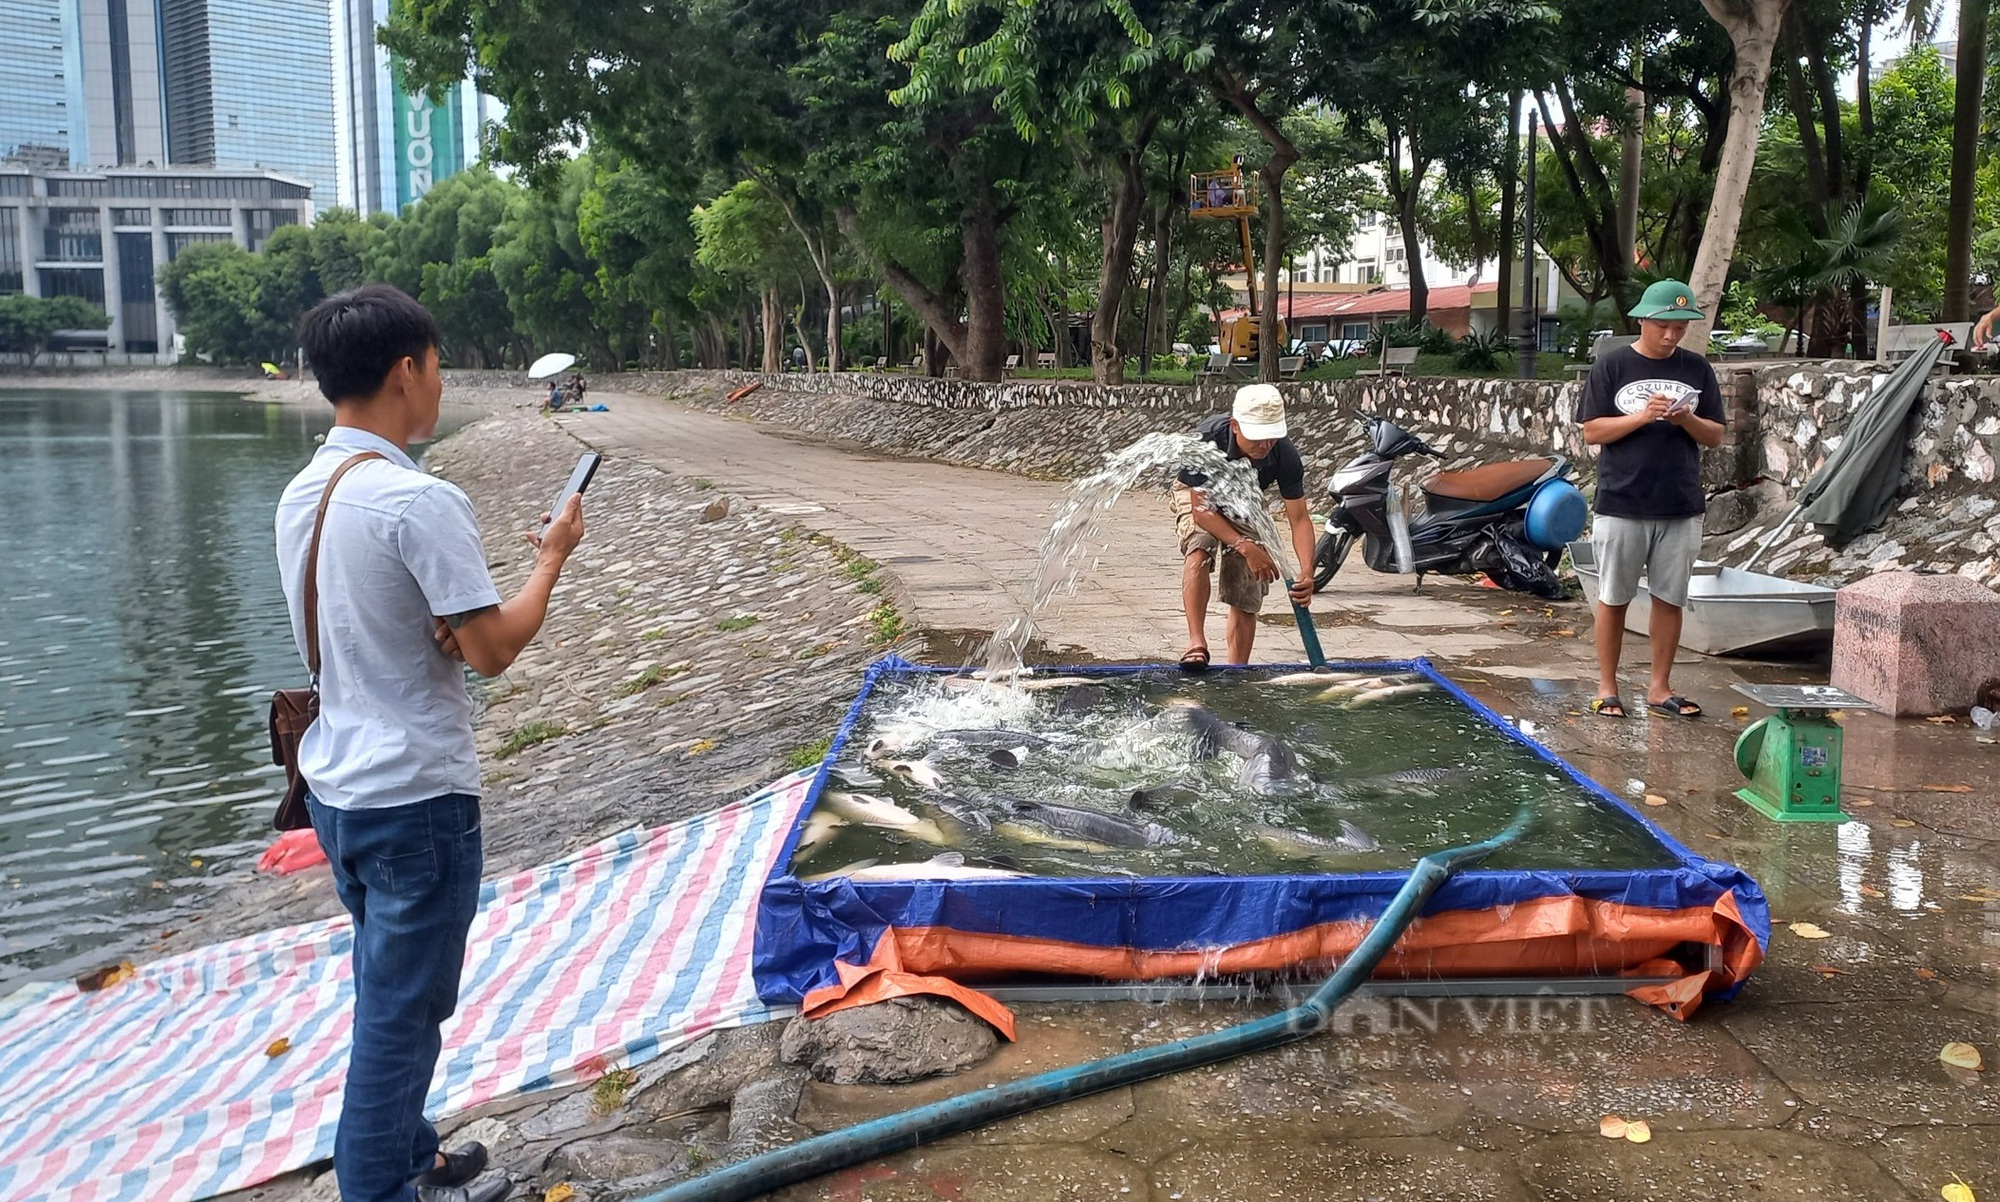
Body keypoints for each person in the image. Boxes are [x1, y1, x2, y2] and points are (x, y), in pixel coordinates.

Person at [278, 284, 585, 1202]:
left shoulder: (303, 492)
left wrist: (446, 624)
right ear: (406, 369)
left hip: (337, 788)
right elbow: (492, 649)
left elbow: (364, 619)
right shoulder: (418, 500)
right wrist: (552, 556)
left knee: (387, 986)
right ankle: (381, 1187)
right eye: (439, 365)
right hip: (414, 796)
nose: (442, 383)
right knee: (403, 1016)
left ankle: (412, 1154)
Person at [1574, 279, 1726, 720]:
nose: (1672, 335)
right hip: (1622, 500)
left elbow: (1715, 435)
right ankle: (1608, 688)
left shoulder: (1697, 369)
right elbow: (1592, 431)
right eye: (1663, 325)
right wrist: (1642, 416)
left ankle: (1660, 688)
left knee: (1670, 598)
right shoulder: (1613, 366)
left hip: (1680, 502)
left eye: (1680, 326)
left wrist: (1687, 419)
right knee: (1614, 595)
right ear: (1643, 319)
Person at [1173, 383, 1318, 668]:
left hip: (1244, 499)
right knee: (1199, 547)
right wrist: (1243, 544)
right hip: (1198, 495)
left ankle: (1237, 671)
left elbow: (1299, 519)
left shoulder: (1284, 454)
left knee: (1251, 578)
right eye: (1258, 437)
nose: (1264, 445)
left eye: (1271, 437)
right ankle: (1196, 642)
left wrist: (1307, 571)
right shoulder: (1206, 438)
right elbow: (1202, 513)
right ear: (1235, 426)